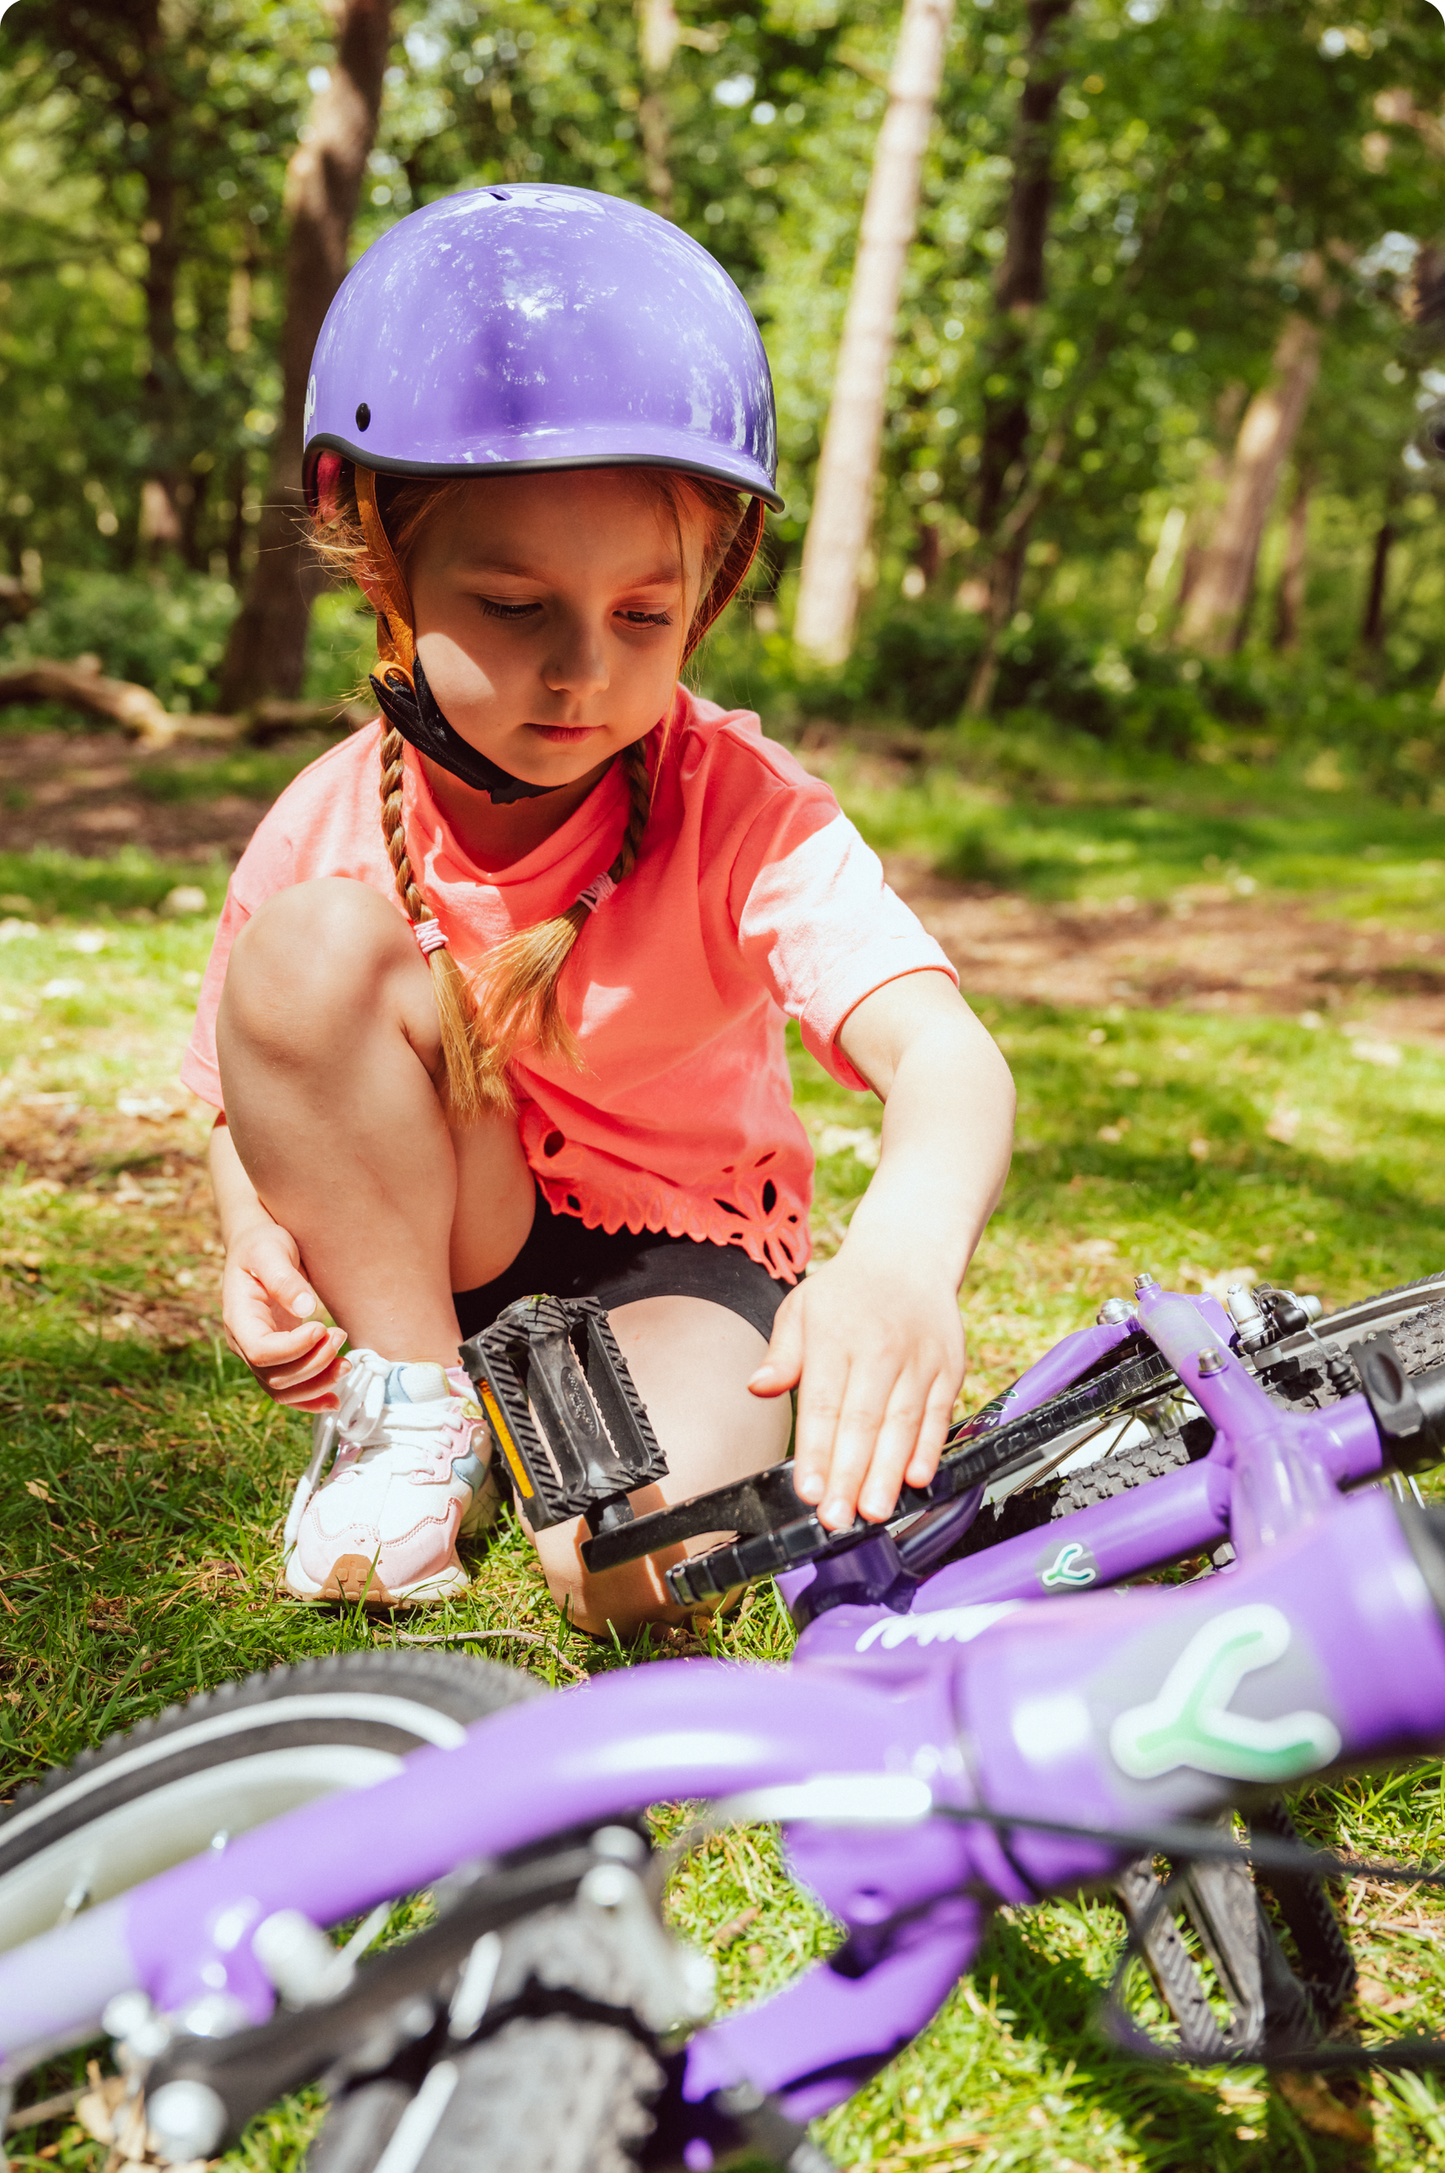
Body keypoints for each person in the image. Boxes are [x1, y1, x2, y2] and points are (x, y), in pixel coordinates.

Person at [181, 185, 1015, 1638]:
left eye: (642, 616)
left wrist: (900, 1256)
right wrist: (255, 1229)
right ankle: (415, 1406)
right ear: (383, 558)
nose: (582, 674)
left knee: (632, 1569)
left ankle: (533, 1449)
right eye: (515, 608)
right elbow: (243, 1094)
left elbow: (950, 1061)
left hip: (683, 1270)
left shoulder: (744, 805)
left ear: (712, 584)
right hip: (446, 1246)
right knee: (308, 952)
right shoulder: (331, 812)